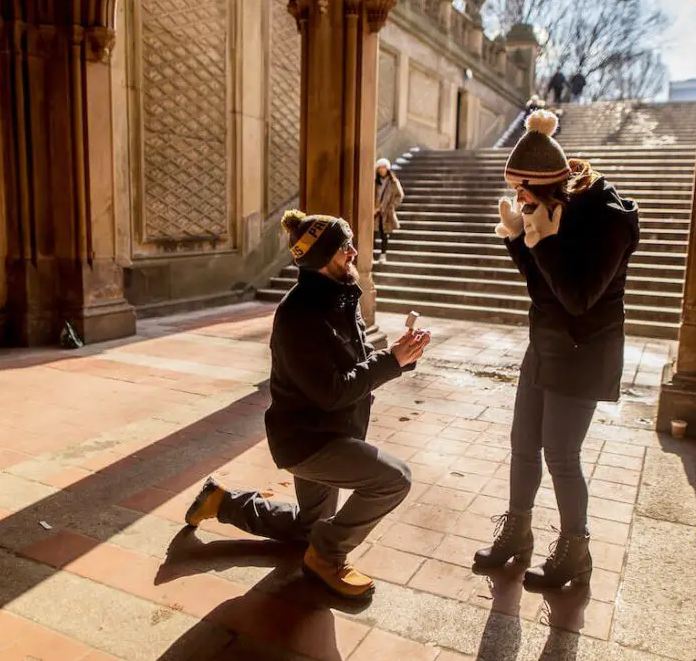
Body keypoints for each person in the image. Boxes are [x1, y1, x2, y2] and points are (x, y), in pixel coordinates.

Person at [184, 210, 432, 600]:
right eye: (342, 247)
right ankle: (327, 556)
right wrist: (392, 361)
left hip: (333, 431)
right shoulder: (299, 315)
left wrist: (401, 353)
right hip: (310, 443)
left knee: (308, 526)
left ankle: (222, 502)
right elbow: (331, 392)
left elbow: (361, 361)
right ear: (319, 259)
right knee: (394, 479)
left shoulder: (341, 294)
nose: (353, 251)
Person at [473, 110, 640, 590]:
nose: (519, 200)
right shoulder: (545, 209)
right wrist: (518, 242)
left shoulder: (606, 221)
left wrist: (541, 242)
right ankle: (517, 533)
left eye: (523, 192)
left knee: (562, 454)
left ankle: (575, 551)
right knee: (523, 444)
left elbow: (578, 298)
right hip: (545, 343)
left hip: (585, 350)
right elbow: (541, 288)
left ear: (548, 185)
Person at [374, 158, 403, 265]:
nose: (382, 170)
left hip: (386, 212)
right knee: (373, 234)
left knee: (384, 234)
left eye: (384, 168)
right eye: (380, 168)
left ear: (388, 169)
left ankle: (383, 255)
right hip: (376, 212)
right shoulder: (375, 182)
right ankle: (371, 256)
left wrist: (391, 207)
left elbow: (399, 196)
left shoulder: (393, 182)